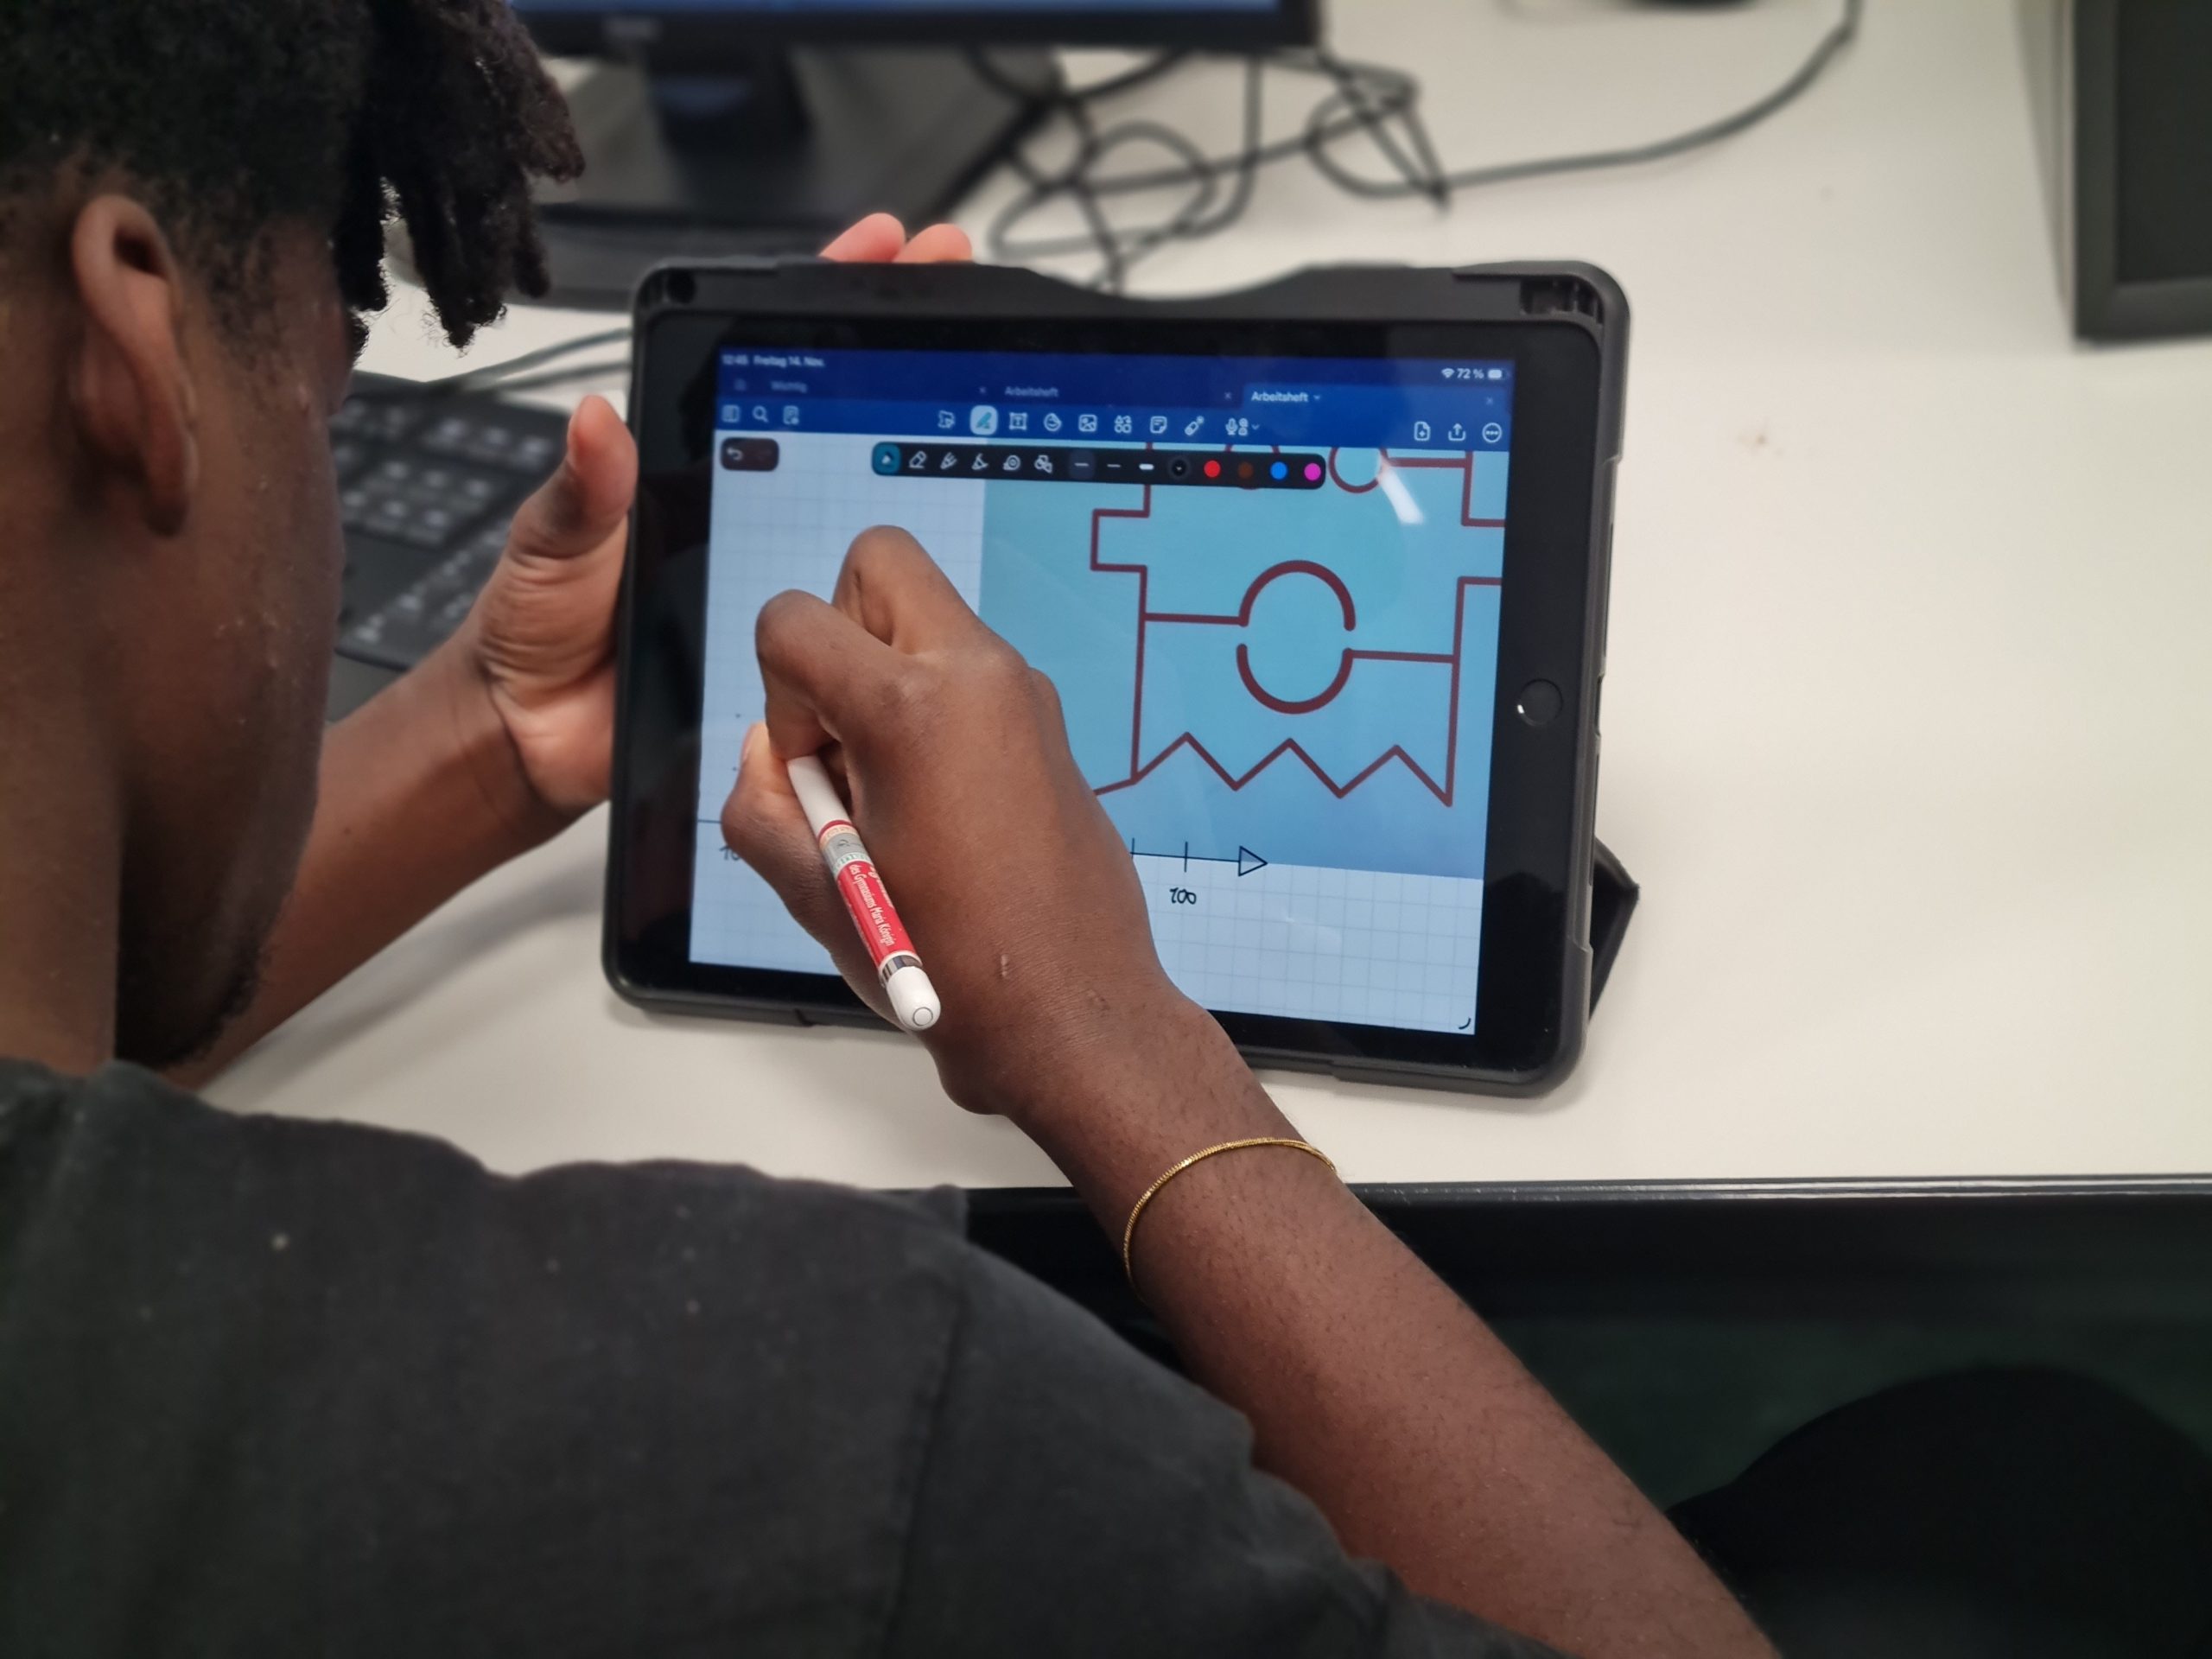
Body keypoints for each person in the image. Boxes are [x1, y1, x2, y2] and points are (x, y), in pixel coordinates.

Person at [0, 3, 1793, 1654]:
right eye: (326, 382)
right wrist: (1109, 1037)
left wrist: (496, 736)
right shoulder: (823, 1430)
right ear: (139, 353)